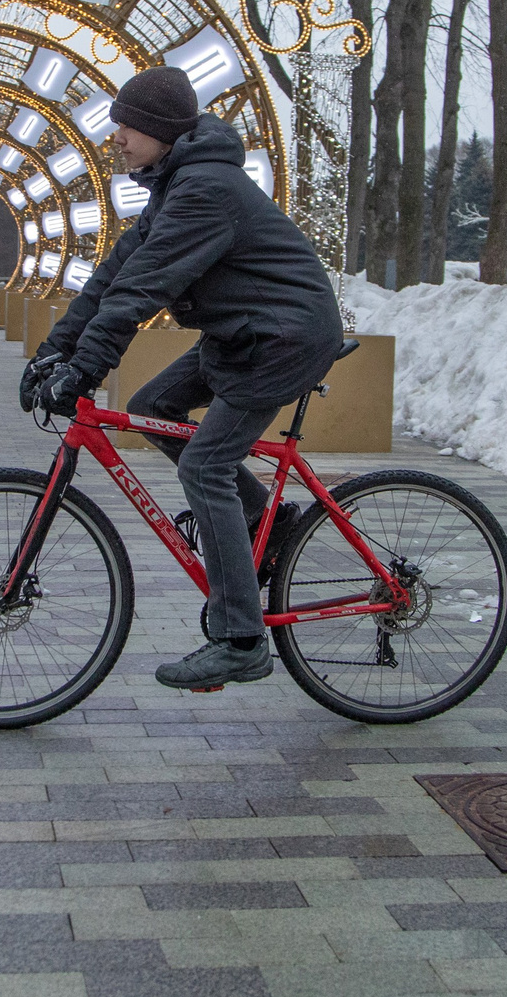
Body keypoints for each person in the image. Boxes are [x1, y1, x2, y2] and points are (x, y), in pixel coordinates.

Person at [22, 64, 346, 691]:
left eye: (127, 125)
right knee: (153, 407)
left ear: (161, 130)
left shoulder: (204, 191)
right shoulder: (176, 185)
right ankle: (269, 522)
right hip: (244, 334)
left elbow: (144, 288)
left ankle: (240, 640)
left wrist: (86, 367)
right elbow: (114, 276)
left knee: (205, 466)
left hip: (282, 341)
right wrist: (52, 352)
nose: (116, 137)